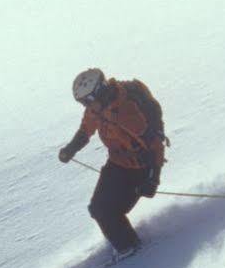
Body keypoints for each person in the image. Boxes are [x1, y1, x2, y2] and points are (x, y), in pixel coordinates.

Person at [58, 68, 168, 256]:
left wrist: (153, 178)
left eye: (88, 100)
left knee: (107, 211)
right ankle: (126, 245)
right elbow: (86, 129)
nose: (86, 106)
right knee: (97, 208)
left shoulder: (127, 111)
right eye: (82, 102)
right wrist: (71, 148)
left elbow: (155, 145)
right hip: (117, 163)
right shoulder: (97, 108)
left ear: (99, 91)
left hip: (139, 169)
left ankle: (131, 249)